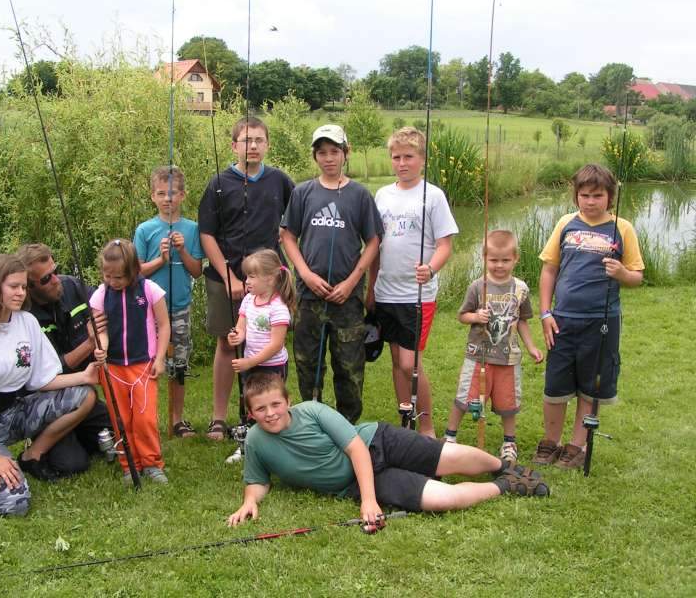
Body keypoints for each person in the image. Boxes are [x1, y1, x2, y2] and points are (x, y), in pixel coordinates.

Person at [226, 374, 550, 527]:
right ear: (250, 413)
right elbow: (258, 480)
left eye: (275, 404)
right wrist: (249, 502)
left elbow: (355, 449)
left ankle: (501, 465)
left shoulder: (311, 411)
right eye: (261, 409)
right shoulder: (255, 440)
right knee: (442, 499)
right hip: (353, 483)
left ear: (287, 401)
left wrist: (369, 501)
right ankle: (506, 485)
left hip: (376, 442)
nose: (270, 413)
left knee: (449, 458)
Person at [0, 254, 98, 516]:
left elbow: (42, 379)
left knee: (84, 396)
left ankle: (32, 457)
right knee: (15, 504)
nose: (20, 293)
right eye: (13, 286)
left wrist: (85, 376)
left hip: (14, 412)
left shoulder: (26, 322)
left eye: (23, 287)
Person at [532, 164, 644, 469]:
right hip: (562, 319)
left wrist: (622, 273)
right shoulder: (566, 224)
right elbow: (549, 269)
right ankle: (550, 442)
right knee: (555, 385)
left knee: (590, 386)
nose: (590, 201)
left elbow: (637, 276)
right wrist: (545, 313)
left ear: (610, 196)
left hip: (602, 321)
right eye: (584, 195)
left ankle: (576, 445)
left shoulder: (623, 228)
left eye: (597, 195)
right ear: (576, 196)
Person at [198, 116, 294, 440]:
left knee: (267, 344)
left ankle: (266, 412)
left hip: (268, 281)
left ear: (267, 144)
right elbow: (206, 234)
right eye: (246, 140)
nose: (252, 146)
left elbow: (293, 223)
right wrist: (229, 278)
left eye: (259, 140)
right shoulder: (218, 183)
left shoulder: (280, 181)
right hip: (223, 278)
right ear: (233, 145)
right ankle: (219, 418)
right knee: (228, 342)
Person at [281, 124, 384, 423]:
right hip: (308, 296)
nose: (329, 158)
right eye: (322, 152)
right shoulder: (303, 193)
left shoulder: (360, 195)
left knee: (349, 367)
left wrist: (354, 281)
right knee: (308, 363)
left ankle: (347, 426)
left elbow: (374, 240)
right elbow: (287, 236)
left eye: (334, 152)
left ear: (345, 153)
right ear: (315, 156)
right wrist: (305, 274)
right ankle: (313, 421)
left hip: (347, 300)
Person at [366, 126, 458, 437]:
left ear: (422, 159)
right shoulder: (382, 195)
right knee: (396, 361)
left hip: (416, 295)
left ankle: (428, 427)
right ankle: (406, 421)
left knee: (410, 364)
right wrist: (370, 288)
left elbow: (445, 244)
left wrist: (430, 268)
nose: (402, 163)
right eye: (396, 157)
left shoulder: (433, 196)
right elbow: (375, 245)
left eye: (408, 156)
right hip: (385, 292)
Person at [443, 230, 544, 463]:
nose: (499, 265)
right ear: (484, 258)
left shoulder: (521, 289)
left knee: (508, 402)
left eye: (505, 260)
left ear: (516, 258)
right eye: (494, 260)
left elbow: (523, 322)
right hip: (478, 356)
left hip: (508, 358)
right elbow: (462, 316)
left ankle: (509, 442)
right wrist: (476, 316)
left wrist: (530, 347)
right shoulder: (478, 287)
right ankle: (450, 437)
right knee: (465, 397)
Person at [17, 243, 114, 475]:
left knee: (124, 433)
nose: (55, 280)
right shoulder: (25, 318)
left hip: (80, 391)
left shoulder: (72, 285)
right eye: (46, 278)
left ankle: (79, 432)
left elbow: (105, 306)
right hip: (48, 399)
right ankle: (40, 442)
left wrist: (103, 329)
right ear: (28, 287)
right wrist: (90, 344)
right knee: (72, 465)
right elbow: (53, 371)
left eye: (55, 271)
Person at [89, 239, 171, 483]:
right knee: (120, 418)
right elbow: (99, 329)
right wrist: (100, 348)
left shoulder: (150, 290)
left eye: (119, 278)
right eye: (107, 276)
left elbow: (164, 325)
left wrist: (160, 357)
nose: (112, 282)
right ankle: (129, 464)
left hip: (143, 364)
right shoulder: (101, 294)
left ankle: (152, 463)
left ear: (135, 270)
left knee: (144, 418)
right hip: (112, 367)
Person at [134, 165, 204, 437]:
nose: (167, 199)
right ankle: (145, 418)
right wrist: (160, 260)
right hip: (148, 310)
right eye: (161, 193)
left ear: (183, 196)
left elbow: (196, 270)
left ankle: (177, 419)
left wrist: (182, 249)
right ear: (152, 196)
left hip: (179, 309)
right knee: (146, 365)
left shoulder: (192, 229)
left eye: (173, 193)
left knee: (179, 366)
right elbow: (136, 272)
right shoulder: (145, 230)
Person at [227, 249, 296, 380]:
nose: (246, 281)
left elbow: (276, 345)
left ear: (269, 279)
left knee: (270, 399)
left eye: (251, 277)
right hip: (251, 364)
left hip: (273, 366)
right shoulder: (248, 300)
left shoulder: (278, 308)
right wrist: (237, 336)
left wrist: (250, 362)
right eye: (247, 276)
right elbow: (241, 328)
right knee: (253, 399)